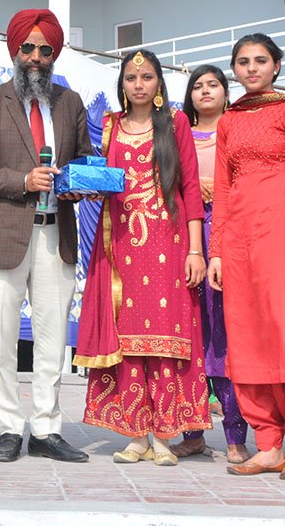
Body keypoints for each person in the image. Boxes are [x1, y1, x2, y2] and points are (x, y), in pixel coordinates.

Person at [0, 8, 95, 464]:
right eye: (28, 48)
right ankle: (8, 427)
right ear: (14, 50)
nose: (36, 57)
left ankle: (46, 428)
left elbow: (85, 159)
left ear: (54, 54)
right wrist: (24, 181)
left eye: (45, 49)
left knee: (52, 338)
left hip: (56, 233)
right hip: (4, 235)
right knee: (2, 339)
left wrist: (78, 184)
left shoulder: (70, 102)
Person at [206, 33, 285, 481]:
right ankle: (266, 446)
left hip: (284, 241)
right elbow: (223, 190)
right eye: (243, 62)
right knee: (247, 343)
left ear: (277, 66)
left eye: (260, 60)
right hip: (239, 245)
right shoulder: (229, 120)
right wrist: (216, 252)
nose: (252, 69)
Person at [75, 50, 210, 466]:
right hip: (122, 247)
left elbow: (190, 187)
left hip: (169, 245)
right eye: (131, 78)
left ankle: (166, 435)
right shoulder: (110, 125)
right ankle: (136, 434)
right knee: (128, 337)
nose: (138, 84)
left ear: (158, 83)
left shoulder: (175, 123)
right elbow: (106, 179)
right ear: (122, 84)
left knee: (167, 337)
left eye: (147, 77)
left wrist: (195, 250)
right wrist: (91, 187)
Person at [171, 64, 250, 464]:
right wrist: (189, 189)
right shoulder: (179, 133)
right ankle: (193, 435)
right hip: (186, 239)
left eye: (213, 84)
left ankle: (236, 436)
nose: (205, 91)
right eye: (198, 86)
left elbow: (251, 179)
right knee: (190, 336)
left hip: (228, 238)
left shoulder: (237, 131)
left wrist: (218, 189)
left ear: (225, 92)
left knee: (224, 338)